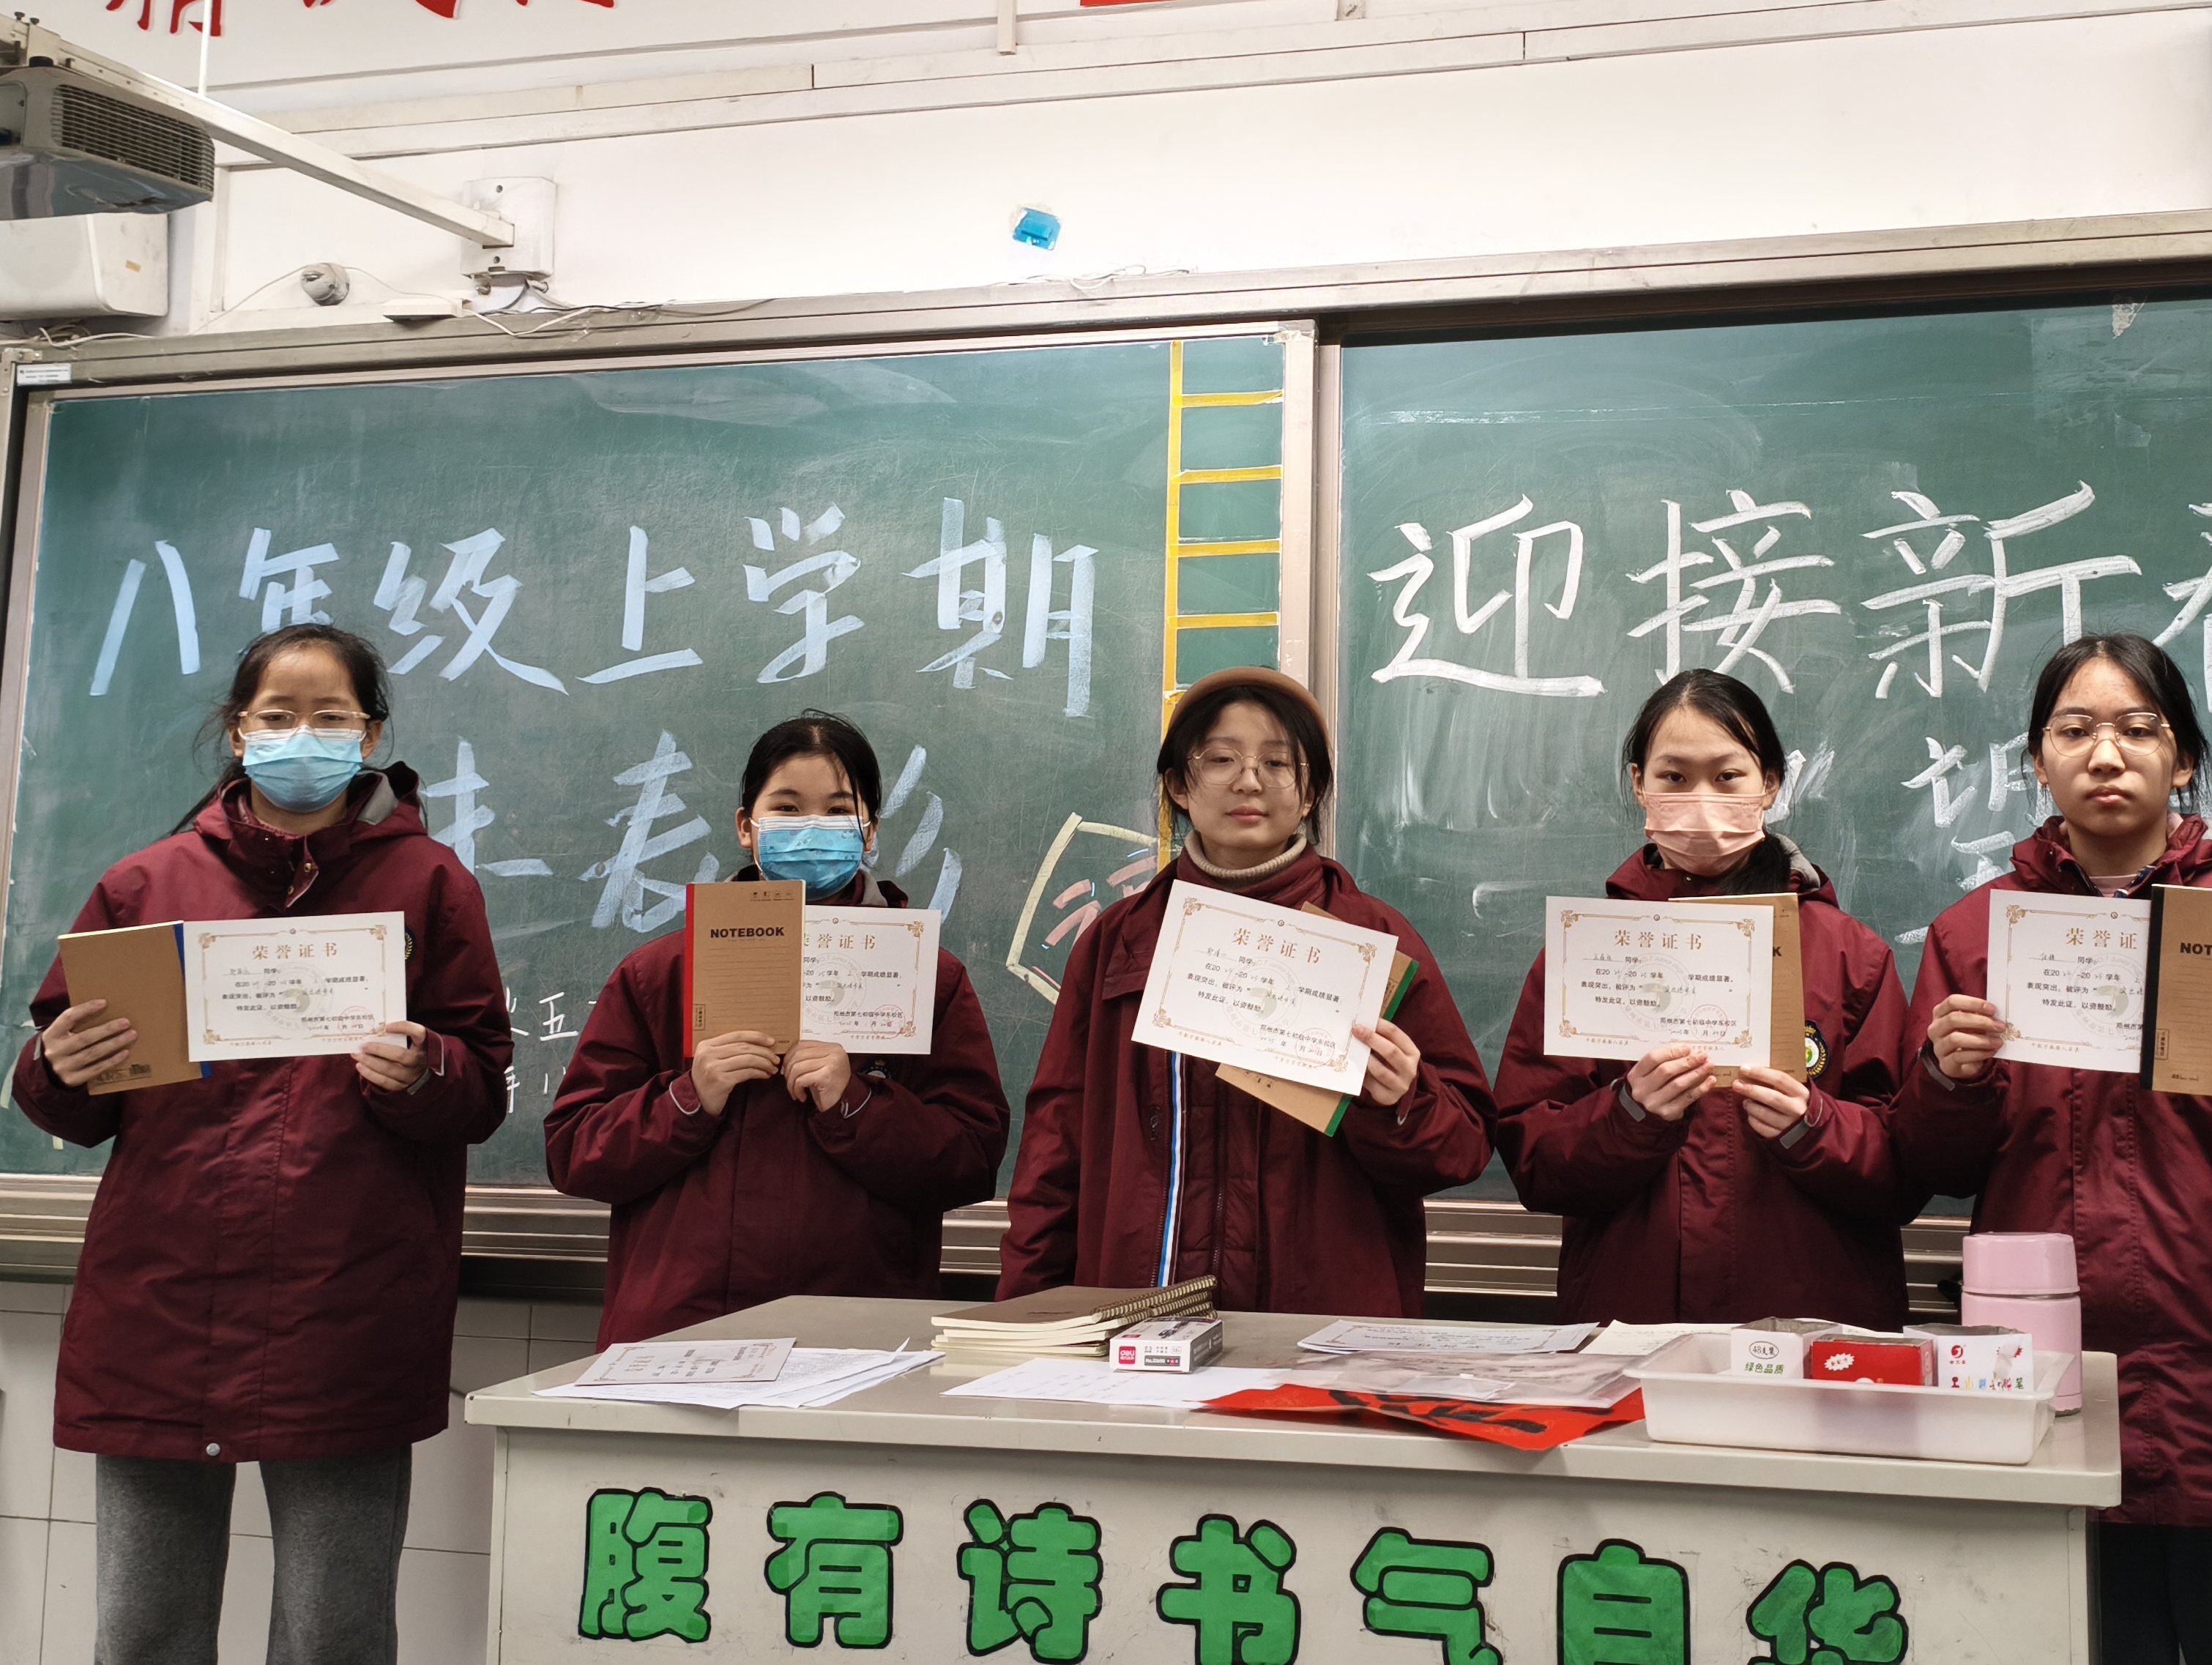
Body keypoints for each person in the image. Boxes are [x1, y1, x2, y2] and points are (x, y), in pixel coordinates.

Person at [1894, 633, 2212, 1665]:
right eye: (2074, 730)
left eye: (2138, 728)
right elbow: (1934, 1166)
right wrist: (1947, 1080)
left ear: (2184, 758)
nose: (2106, 753)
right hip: (2048, 1392)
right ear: (2038, 762)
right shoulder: (1977, 937)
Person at [14, 624, 511, 1665]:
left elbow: (479, 1087)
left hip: (346, 1307)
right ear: (239, 731)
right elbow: (72, 1101)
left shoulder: (428, 884)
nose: (302, 736)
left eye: (330, 717)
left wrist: (427, 1072)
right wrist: (58, 1066)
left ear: (370, 734)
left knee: (335, 1636)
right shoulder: (145, 886)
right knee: (143, 1633)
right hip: (160, 1300)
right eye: (277, 716)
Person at [999, 666, 1493, 1315]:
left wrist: (1402, 1100)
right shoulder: (1121, 940)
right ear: (1179, 785)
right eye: (1220, 759)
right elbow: (1056, 1143)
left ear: (1310, 792)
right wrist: (1025, 1314)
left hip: (1320, 1326)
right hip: (1141, 1318)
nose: (1249, 781)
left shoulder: (1371, 941)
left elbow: (1464, 1149)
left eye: (1278, 763)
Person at [549, 710, 1010, 1346]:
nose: (811, 829)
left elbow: (971, 1161)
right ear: (747, 827)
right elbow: (574, 1153)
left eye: (837, 811)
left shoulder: (925, 976)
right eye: (787, 809)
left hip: (859, 1338)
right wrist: (689, 1097)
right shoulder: (660, 974)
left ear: (869, 831)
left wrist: (855, 1104)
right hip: (682, 1336)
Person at [1490, 669, 1914, 1330]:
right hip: (1632, 1328)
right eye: (1675, 777)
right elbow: (1533, 1162)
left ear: (1770, 784)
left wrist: (1812, 1124)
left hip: (1811, 1331)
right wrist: (1628, 1114)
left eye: (1727, 777)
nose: (1701, 801)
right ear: (1639, 784)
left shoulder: (1848, 955)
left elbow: (1907, 1169)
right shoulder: (1587, 952)